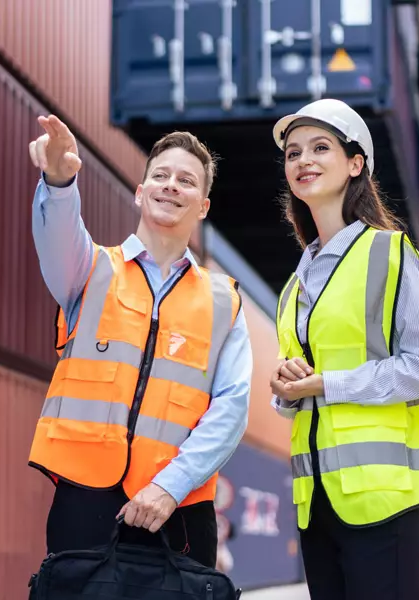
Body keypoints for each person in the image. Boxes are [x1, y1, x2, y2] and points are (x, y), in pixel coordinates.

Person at [26, 114, 253, 569]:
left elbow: (232, 407)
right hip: (85, 501)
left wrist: (171, 486)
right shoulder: (89, 270)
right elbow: (56, 236)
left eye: (186, 181)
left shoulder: (223, 301)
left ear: (203, 206)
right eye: (161, 175)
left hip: (179, 511)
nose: (171, 186)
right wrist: (59, 181)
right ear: (140, 191)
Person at [268, 98, 419, 600]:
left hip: (381, 497)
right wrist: (286, 389)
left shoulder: (389, 253)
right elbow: (302, 396)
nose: (303, 160)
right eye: (293, 153)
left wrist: (327, 384)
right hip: (316, 499)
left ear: (356, 164)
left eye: (320, 148)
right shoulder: (295, 285)